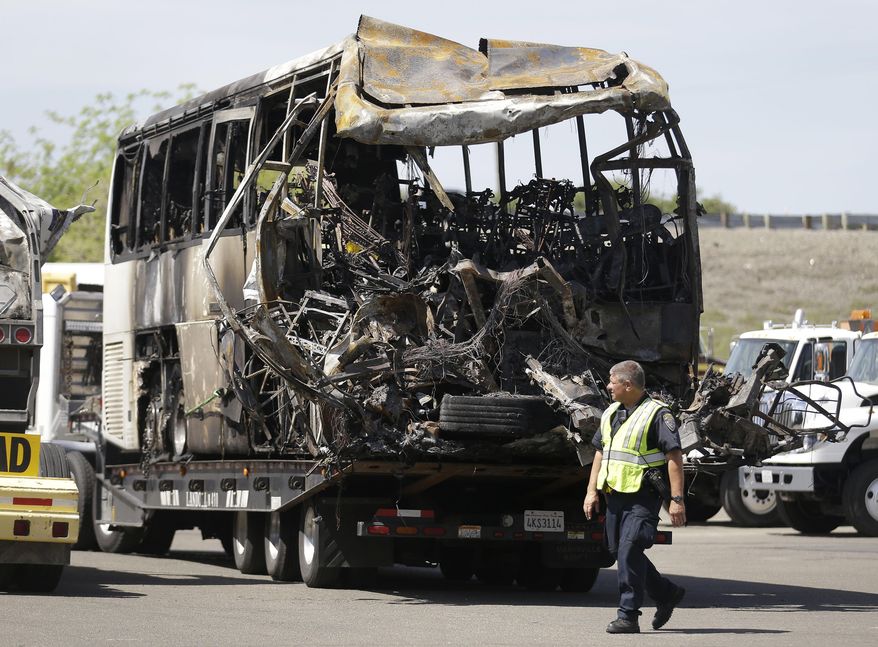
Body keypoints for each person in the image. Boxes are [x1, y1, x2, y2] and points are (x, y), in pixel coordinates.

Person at [583, 360, 687, 634]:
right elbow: (599, 452)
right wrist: (591, 491)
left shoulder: (657, 414)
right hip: (614, 495)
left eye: (611, 381)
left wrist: (676, 500)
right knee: (620, 552)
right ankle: (666, 593)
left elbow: (674, 456)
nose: (608, 386)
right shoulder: (611, 413)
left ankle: (628, 615)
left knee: (629, 549)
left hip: (644, 495)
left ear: (627, 385)